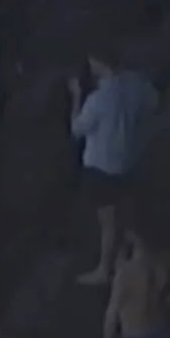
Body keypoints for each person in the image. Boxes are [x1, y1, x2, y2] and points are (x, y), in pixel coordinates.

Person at [69, 53, 159, 285]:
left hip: (100, 166)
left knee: (108, 221)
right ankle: (134, 258)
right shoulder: (135, 84)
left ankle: (104, 269)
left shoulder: (99, 99)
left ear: (100, 63)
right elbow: (153, 103)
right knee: (124, 214)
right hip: (126, 162)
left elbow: (77, 129)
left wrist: (76, 96)